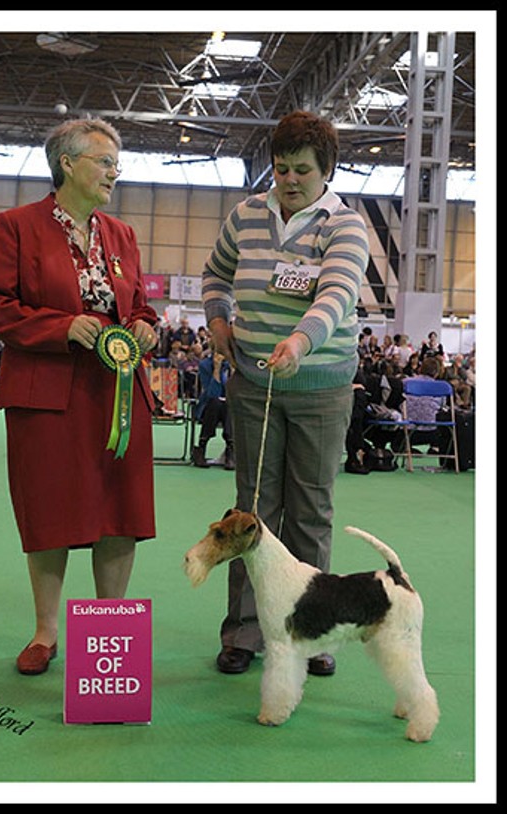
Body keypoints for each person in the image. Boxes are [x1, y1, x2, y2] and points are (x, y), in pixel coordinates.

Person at [0, 117, 159, 676]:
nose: (114, 172)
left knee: (120, 511)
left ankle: (110, 626)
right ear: (68, 164)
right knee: (49, 510)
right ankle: (45, 632)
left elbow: (139, 304)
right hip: (46, 392)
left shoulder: (122, 235)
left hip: (117, 391)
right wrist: (61, 328)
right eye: (105, 162)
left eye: (116, 163)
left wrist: (146, 326)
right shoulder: (14, 227)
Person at [202, 109, 369, 677]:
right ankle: (245, 632)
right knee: (252, 513)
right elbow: (215, 274)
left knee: (309, 514)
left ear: (327, 170)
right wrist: (218, 319)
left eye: (302, 169)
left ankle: (311, 631)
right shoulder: (246, 215)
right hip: (255, 383)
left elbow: (337, 294)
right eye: (281, 168)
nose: (290, 179)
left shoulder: (345, 225)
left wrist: (300, 341)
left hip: (321, 386)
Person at [191, 344, 234, 470]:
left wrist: (233, 372)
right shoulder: (205, 365)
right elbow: (212, 393)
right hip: (207, 406)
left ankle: (230, 450)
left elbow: (235, 393)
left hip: (229, 407)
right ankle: (202, 447)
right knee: (215, 402)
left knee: (227, 404)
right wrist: (216, 369)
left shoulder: (233, 365)